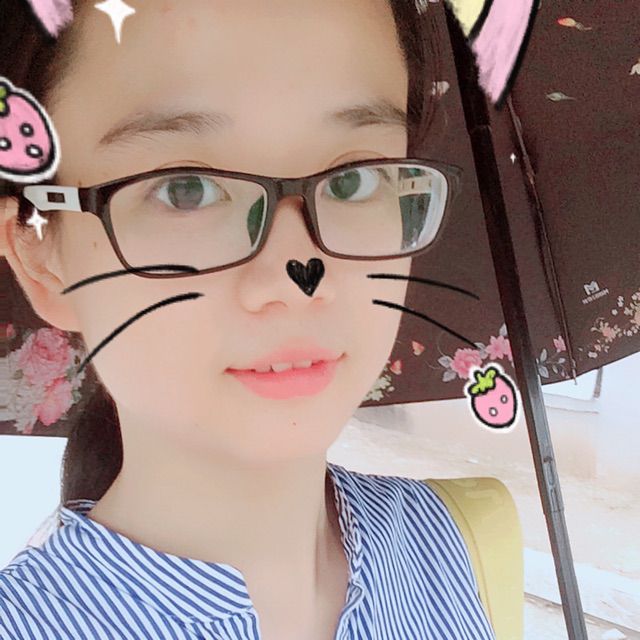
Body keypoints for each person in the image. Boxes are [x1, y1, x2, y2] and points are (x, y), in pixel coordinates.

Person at [0, 0, 496, 638]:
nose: (297, 277)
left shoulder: (443, 543)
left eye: (354, 180)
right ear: (41, 257)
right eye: (185, 189)